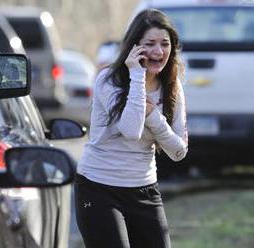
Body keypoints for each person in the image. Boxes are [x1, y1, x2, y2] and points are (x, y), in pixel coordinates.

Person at [75, 9, 188, 248]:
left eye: (165, 44)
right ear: (134, 48)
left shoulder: (172, 86)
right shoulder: (108, 79)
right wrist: (138, 76)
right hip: (98, 188)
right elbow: (131, 130)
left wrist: (154, 116)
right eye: (150, 44)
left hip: (144, 189)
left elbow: (178, 152)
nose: (158, 51)